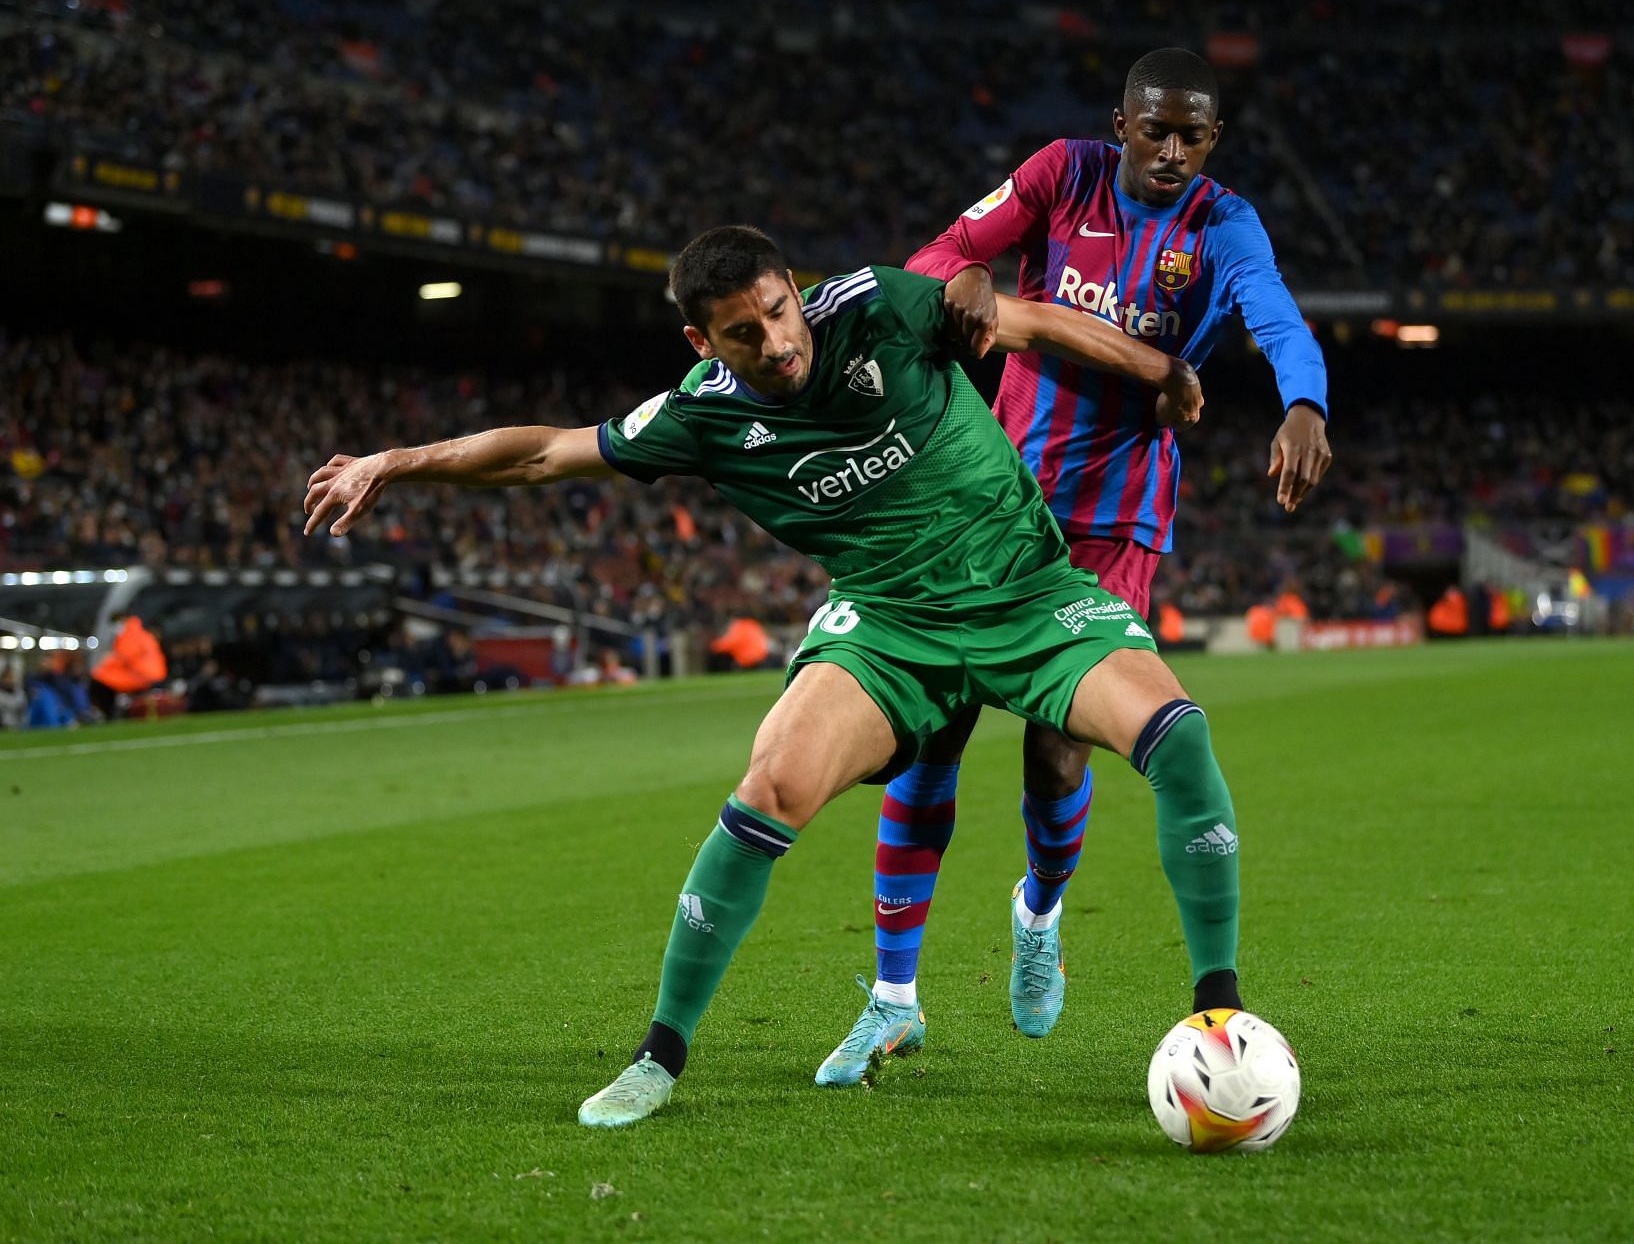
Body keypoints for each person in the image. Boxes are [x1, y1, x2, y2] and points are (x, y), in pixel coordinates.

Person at [303, 226, 1249, 1128]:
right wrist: (396, 462)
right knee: (769, 787)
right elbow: (549, 450)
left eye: (778, 311)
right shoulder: (703, 412)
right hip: (888, 624)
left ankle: (1222, 1017)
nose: (775, 341)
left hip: (1024, 589)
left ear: (796, 291)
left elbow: (1028, 319)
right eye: (743, 332)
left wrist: (1163, 368)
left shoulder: (876, 304)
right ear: (701, 339)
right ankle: (657, 1058)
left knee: (1178, 731)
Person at [821, 46, 1331, 1069]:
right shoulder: (1063, 172)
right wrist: (963, 272)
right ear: (1122, 123)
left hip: (1115, 517)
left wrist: (1304, 399)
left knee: (1059, 745)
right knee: (934, 730)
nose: (1174, 150)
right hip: (990, 497)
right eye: (1157, 130)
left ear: (1214, 140)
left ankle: (1040, 915)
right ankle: (891, 995)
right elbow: (939, 257)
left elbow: (1274, 312)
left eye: (1194, 134)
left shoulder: (1222, 225)